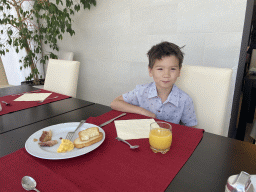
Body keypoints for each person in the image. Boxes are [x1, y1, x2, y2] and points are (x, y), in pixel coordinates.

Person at [110, 41, 197, 127]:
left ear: (179, 71)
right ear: (150, 71)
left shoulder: (185, 100)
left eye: (173, 69)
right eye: (160, 69)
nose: (166, 75)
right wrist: (142, 111)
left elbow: (191, 127)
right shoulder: (141, 91)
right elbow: (115, 103)